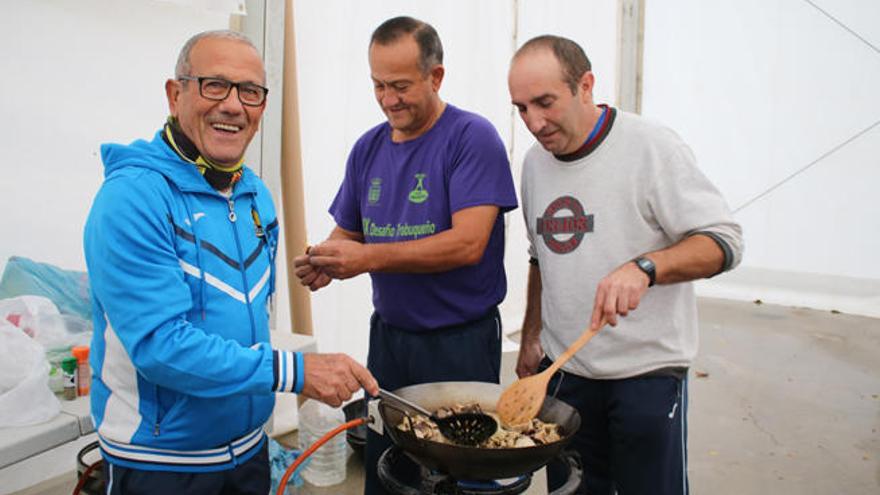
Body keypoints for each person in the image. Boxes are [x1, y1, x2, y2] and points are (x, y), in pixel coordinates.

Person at [83, 30, 378, 495]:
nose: (234, 105)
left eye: (250, 91)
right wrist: (297, 371)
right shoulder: (132, 198)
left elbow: (248, 319)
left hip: (248, 451)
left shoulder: (255, 193)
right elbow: (161, 346)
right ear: (174, 93)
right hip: (161, 463)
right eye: (214, 85)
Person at [508, 35, 744, 494]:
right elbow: (541, 256)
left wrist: (646, 267)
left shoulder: (651, 147)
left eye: (545, 102)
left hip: (646, 375)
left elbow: (724, 242)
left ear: (586, 86)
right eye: (520, 108)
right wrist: (532, 334)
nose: (534, 122)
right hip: (565, 375)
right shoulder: (536, 164)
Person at [293, 16, 518, 494]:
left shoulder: (471, 138)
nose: (388, 99)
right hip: (391, 340)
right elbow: (348, 233)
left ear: (435, 77)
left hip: (460, 342)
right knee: (390, 468)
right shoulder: (368, 148)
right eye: (378, 85)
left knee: (463, 473)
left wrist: (369, 258)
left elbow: (467, 243)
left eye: (400, 85)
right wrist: (326, 261)